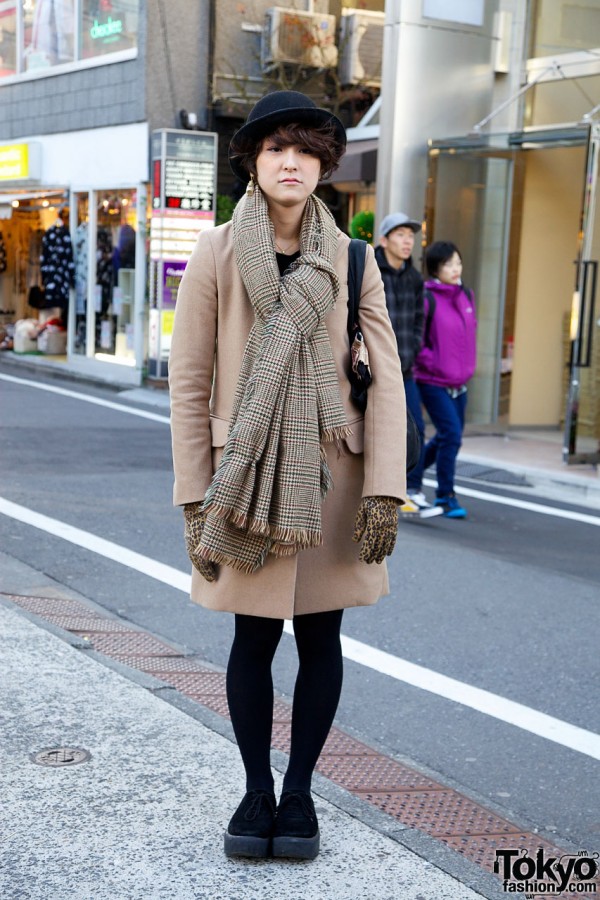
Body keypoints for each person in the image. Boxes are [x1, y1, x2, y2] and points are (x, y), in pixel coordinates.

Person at [168, 90, 407, 862]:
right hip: (245, 473)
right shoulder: (214, 253)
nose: (291, 162)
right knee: (251, 636)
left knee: (322, 636)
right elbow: (190, 378)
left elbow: (390, 377)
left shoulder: (355, 258)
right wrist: (194, 492)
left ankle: (299, 792)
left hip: (332, 476)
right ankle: (254, 788)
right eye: (276, 149)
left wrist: (385, 488)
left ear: (325, 165)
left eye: (306, 151)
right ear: (253, 162)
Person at [375, 213, 441, 518]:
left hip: (404, 368)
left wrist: (412, 349)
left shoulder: (415, 278)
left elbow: (419, 320)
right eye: (400, 234)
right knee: (373, 430)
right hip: (373, 369)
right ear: (384, 240)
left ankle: (412, 489)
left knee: (414, 427)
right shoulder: (370, 269)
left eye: (410, 236)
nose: (407, 241)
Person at [410, 240, 477, 518]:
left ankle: (409, 474)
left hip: (460, 384)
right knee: (451, 435)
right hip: (433, 381)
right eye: (449, 263)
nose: (455, 268)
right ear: (436, 268)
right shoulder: (427, 297)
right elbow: (419, 339)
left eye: (458, 262)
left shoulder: (466, 296)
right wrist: (433, 364)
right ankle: (446, 495)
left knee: (450, 436)